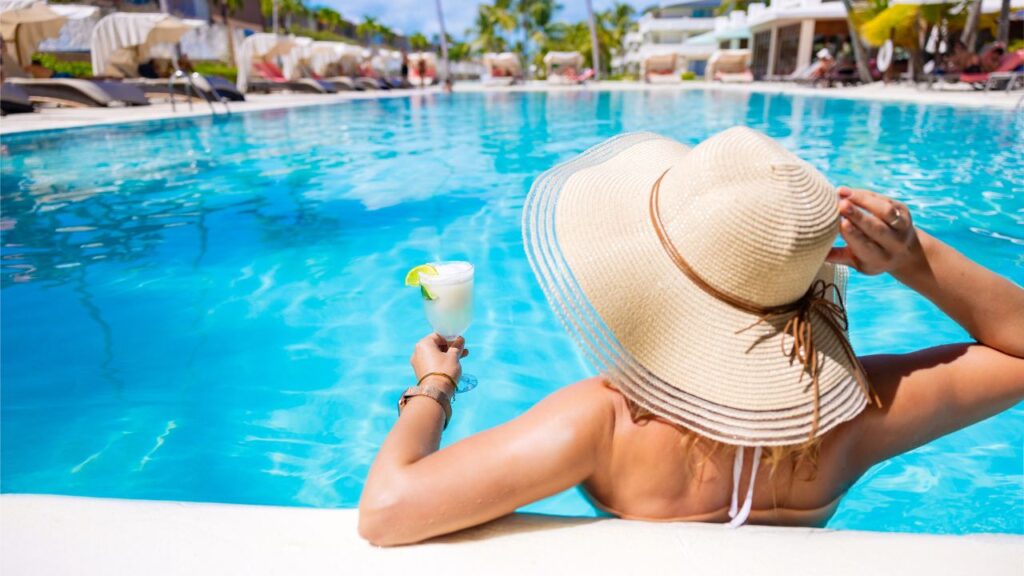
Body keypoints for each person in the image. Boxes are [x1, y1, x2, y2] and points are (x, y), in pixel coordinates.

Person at [358, 127, 1024, 547]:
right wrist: (913, 258)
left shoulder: (605, 423)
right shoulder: (858, 418)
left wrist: (435, 385)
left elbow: (387, 511)